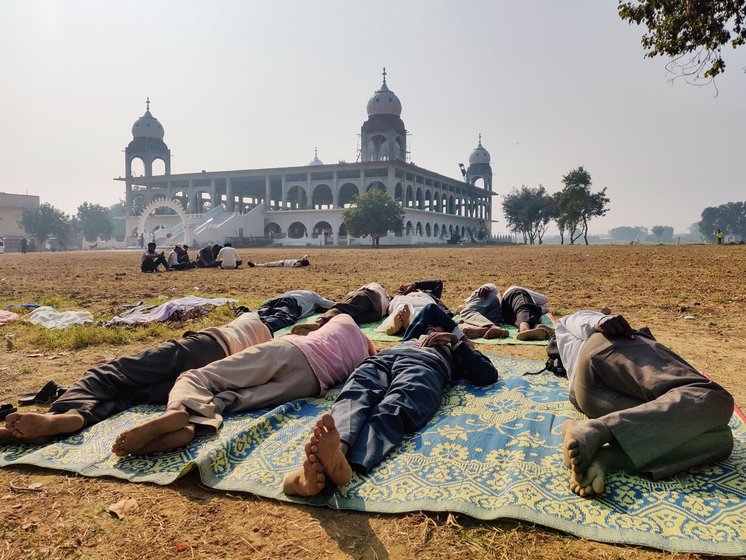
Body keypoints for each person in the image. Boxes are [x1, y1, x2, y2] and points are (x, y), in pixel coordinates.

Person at [283, 303, 498, 496]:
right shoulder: (414, 334)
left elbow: (487, 375)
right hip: (382, 359)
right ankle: (337, 451)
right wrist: (448, 329)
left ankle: (334, 467)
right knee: (355, 394)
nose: (435, 330)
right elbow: (430, 311)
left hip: (425, 367)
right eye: (434, 327)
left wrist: (457, 340)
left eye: (441, 328)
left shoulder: (459, 350)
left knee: (395, 407)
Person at [112, 314, 376, 456]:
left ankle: (177, 412)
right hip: (311, 382)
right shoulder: (365, 354)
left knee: (199, 377)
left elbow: (301, 328)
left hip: (292, 350)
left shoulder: (344, 320)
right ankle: (193, 425)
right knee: (231, 399)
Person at [1, 312, 273, 443]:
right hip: (214, 377)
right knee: (129, 398)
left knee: (110, 375)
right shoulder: (269, 346)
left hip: (208, 346)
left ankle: (66, 414)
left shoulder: (247, 320)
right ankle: (77, 418)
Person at [556, 311, 734, 498]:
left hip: (589, 398)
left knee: (720, 439)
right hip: (604, 352)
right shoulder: (611, 332)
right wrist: (599, 319)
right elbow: (566, 321)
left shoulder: (565, 351)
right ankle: (598, 428)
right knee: (714, 398)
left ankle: (607, 457)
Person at [375, 280, 450, 336]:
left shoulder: (428, 294)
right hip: (405, 300)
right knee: (401, 307)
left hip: (424, 300)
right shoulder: (401, 296)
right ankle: (405, 324)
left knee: (425, 309)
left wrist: (415, 285)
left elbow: (438, 283)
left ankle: (404, 324)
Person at [254, 290, 335, 334]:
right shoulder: (316, 297)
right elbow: (333, 305)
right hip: (291, 301)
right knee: (284, 317)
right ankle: (260, 329)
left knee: (260, 315)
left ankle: (248, 318)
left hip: (273, 299)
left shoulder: (302, 292)